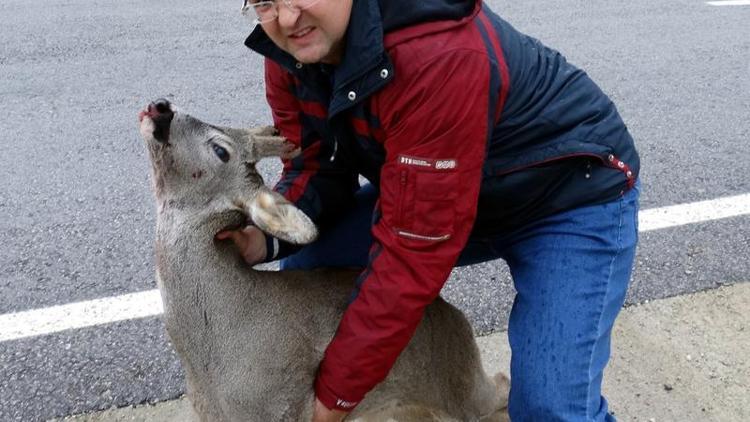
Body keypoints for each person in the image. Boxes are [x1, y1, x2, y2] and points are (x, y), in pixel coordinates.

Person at [218, 0, 640, 420]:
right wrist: (265, 237)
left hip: (567, 199)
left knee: (551, 409)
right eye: (266, 2)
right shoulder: (295, 50)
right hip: (447, 194)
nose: (288, 18)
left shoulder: (436, 54)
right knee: (309, 251)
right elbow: (315, 164)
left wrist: (332, 398)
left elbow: (411, 253)